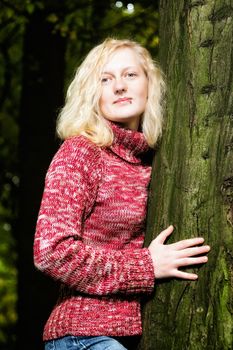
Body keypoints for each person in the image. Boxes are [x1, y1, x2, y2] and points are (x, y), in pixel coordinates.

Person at [33, 38, 210, 350]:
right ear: (93, 93)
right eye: (105, 78)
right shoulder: (81, 151)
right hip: (83, 336)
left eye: (130, 75)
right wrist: (146, 266)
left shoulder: (152, 159)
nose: (119, 87)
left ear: (149, 84)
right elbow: (52, 251)